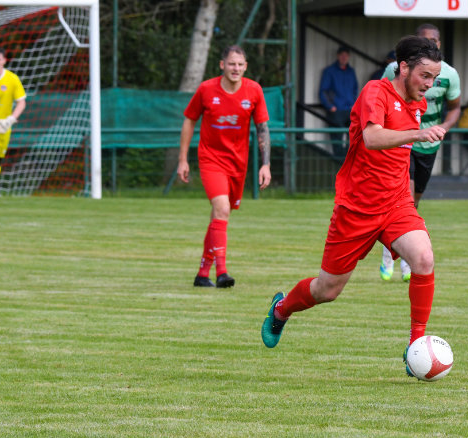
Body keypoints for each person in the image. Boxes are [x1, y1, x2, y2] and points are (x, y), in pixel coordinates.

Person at [261, 36, 446, 377]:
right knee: (327, 290)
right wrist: (418, 135)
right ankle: (281, 310)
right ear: (403, 68)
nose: (429, 84)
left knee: (424, 258)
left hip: (396, 204)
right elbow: (373, 138)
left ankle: (415, 347)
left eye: (434, 78)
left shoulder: (417, 104)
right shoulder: (375, 92)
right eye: (425, 76)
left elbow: (398, 159)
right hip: (357, 208)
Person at [177, 44, 272, 288]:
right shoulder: (206, 89)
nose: (235, 68)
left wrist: (266, 165)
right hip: (210, 159)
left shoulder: (254, 90)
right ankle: (222, 272)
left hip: (237, 163)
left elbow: (262, 128)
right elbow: (189, 120)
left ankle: (202, 274)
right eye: (231, 64)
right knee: (222, 209)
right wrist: (183, 159)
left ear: (246, 67)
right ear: (222, 65)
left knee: (217, 217)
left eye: (240, 64)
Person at [378, 23, 462, 282]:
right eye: (423, 40)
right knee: (405, 197)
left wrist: (443, 127)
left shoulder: (449, 74)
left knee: (413, 202)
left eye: (433, 41)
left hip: (429, 144)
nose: (428, 83)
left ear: (439, 44)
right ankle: (399, 258)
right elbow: (380, 100)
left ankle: (397, 249)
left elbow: (455, 107)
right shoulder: (395, 70)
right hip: (404, 142)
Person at [0, 47, 26, 206]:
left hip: (4, 125)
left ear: (4, 60)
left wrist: (11, 119)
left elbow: (21, 102)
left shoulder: (12, 79)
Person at [319, 45, 358, 158]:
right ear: (338, 56)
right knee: (337, 140)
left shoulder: (351, 71)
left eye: (346, 55)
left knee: (353, 138)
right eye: (342, 55)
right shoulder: (329, 71)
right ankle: (338, 163)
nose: (344, 57)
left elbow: (355, 89)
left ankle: (349, 161)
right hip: (336, 111)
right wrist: (331, 107)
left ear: (348, 57)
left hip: (350, 110)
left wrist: (353, 104)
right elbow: (323, 91)